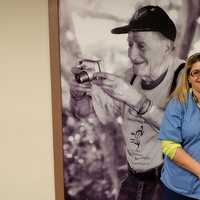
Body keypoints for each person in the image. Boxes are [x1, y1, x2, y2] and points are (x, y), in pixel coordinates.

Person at [70, 5, 184, 200]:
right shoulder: (129, 77)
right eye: (130, 44)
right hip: (133, 182)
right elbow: (83, 112)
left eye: (141, 45)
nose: (132, 55)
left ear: (167, 46)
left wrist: (132, 97)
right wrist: (78, 95)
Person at [159, 52, 200, 200]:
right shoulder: (178, 104)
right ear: (189, 78)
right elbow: (169, 145)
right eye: (196, 72)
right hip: (179, 190)